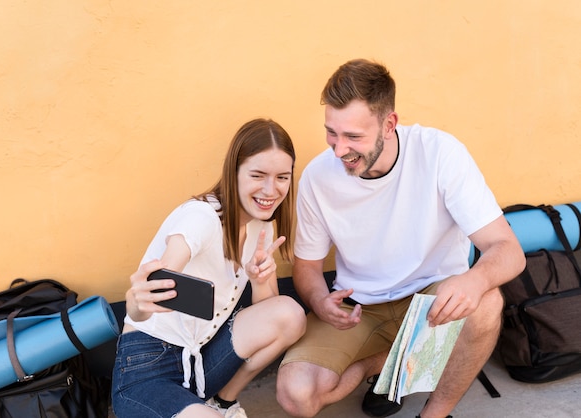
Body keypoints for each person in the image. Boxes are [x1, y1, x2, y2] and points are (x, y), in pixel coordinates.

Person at [275, 59, 526, 418]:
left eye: (353, 137)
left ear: (389, 124)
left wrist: (476, 279)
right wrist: (319, 301)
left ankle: (434, 413)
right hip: (360, 308)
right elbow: (308, 267)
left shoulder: (440, 153)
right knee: (296, 396)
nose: (338, 150)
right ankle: (380, 367)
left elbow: (509, 250)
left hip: (431, 299)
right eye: (332, 132)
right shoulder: (318, 177)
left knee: (486, 302)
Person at [112, 118, 307, 418]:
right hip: (147, 367)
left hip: (200, 361)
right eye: (258, 175)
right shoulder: (201, 217)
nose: (271, 189)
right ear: (235, 172)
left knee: (291, 314)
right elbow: (154, 289)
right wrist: (137, 303)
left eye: (282, 177)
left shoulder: (261, 224)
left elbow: (271, 316)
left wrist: (259, 279)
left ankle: (223, 402)